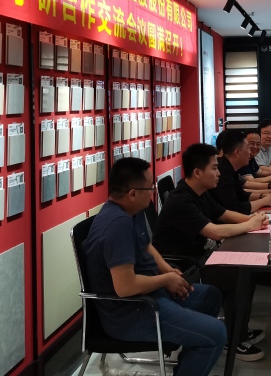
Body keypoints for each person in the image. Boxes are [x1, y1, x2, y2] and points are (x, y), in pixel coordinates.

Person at [83, 157, 226, 376]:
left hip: (151, 295)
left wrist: (167, 270)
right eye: (149, 188)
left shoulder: (132, 211)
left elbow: (147, 245)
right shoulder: (117, 225)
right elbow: (126, 287)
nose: (152, 192)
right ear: (133, 193)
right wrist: (166, 280)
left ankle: (190, 356)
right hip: (134, 313)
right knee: (216, 334)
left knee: (211, 296)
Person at [153, 143, 270, 361]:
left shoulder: (200, 192)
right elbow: (213, 231)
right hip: (182, 265)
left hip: (198, 255)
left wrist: (253, 220)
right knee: (235, 276)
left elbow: (224, 214)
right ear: (198, 172)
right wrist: (249, 224)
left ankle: (239, 330)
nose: (219, 173)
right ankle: (233, 341)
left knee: (248, 272)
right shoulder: (182, 199)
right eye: (214, 168)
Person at [209, 130, 271, 213]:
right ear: (237, 152)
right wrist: (263, 201)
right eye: (248, 148)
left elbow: (241, 194)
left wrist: (262, 196)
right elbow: (235, 208)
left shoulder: (230, 167)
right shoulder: (222, 171)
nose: (250, 152)